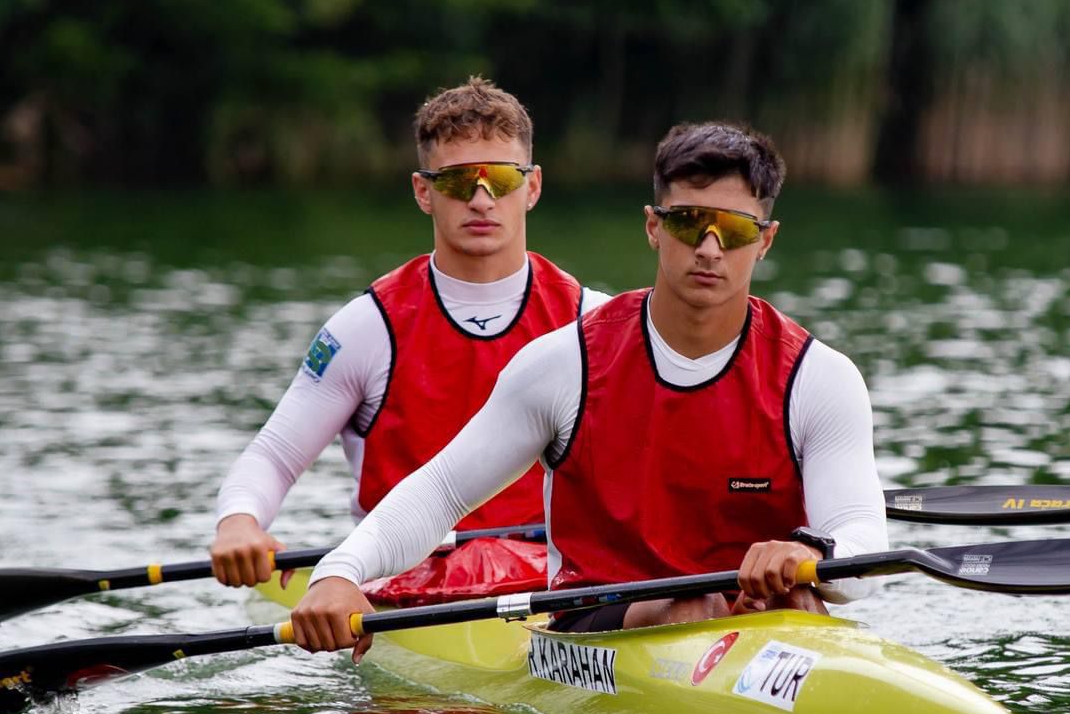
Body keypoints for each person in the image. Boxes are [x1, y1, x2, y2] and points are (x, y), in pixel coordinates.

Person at [286, 121, 886, 654]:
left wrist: (814, 557)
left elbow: (863, 543)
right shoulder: (565, 363)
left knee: (802, 601)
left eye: (732, 230)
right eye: (687, 222)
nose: (708, 248)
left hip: (757, 622)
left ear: (766, 239)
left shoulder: (819, 378)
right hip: (593, 629)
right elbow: (442, 493)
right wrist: (340, 572)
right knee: (692, 608)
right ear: (654, 228)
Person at [209, 77, 609, 591]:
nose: (482, 200)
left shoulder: (591, 320)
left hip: (549, 584)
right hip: (403, 581)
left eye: (501, 180)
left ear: (531, 187)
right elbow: (275, 456)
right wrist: (240, 521)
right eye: (458, 182)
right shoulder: (368, 327)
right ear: (424, 191)